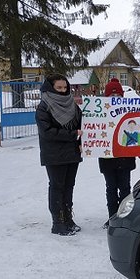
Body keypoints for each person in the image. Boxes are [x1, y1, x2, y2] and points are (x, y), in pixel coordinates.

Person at [35, 73, 83, 236]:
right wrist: (72, 134)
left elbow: (81, 125)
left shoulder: (73, 105)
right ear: (50, 88)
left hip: (72, 153)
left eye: (65, 87)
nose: (63, 91)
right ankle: (58, 222)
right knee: (57, 187)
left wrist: (82, 142)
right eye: (59, 88)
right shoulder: (44, 107)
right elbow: (47, 132)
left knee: (69, 187)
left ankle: (68, 218)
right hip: (54, 155)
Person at [99, 78, 136, 228]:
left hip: (125, 158)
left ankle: (125, 217)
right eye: (111, 95)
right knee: (111, 188)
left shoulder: (129, 111)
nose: (115, 98)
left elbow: (136, 132)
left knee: (125, 188)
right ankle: (113, 217)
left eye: (117, 95)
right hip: (107, 158)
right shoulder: (99, 112)